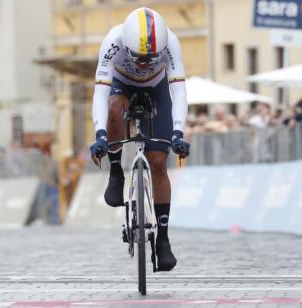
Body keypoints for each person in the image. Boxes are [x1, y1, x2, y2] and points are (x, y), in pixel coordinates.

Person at [88, 7, 190, 272]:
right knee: (113, 107)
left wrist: (179, 132)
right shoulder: (113, 41)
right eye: (138, 57)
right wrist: (99, 134)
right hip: (122, 84)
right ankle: (115, 170)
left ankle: (164, 240)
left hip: (157, 90)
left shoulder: (171, 44)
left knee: (158, 164)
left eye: (150, 59)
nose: (144, 63)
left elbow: (178, 91)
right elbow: (100, 93)